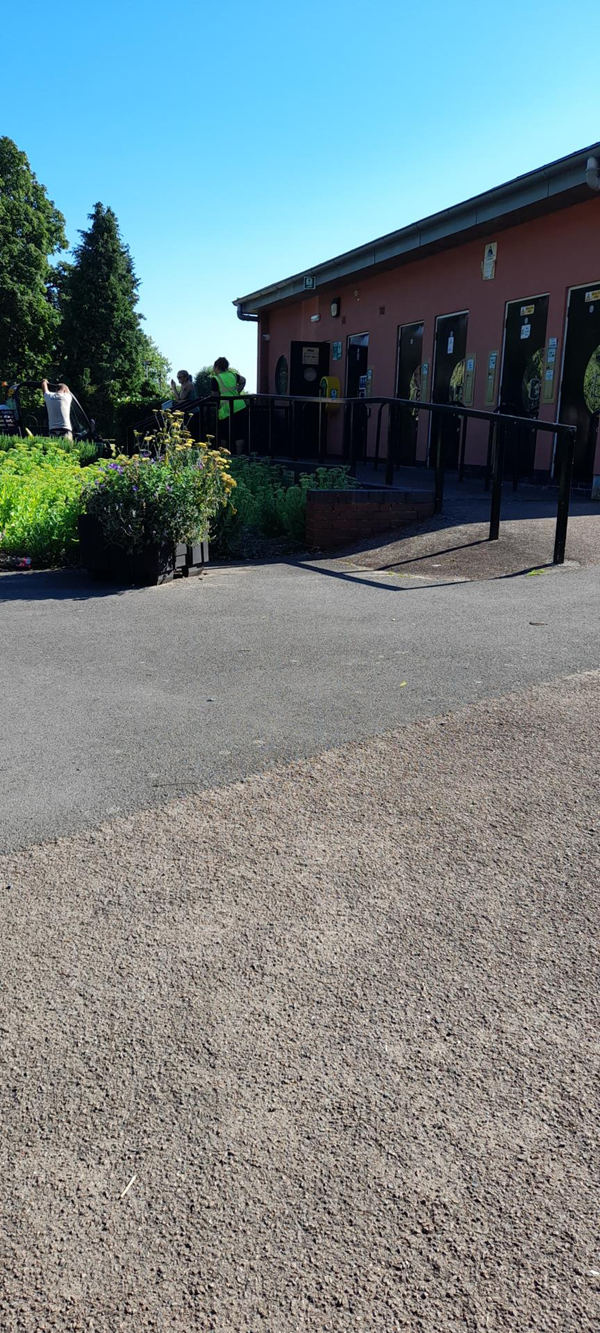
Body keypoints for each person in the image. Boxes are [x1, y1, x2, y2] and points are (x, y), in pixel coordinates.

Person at [212, 357, 247, 449]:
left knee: (224, 433)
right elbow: (243, 380)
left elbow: (214, 396)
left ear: (217, 367)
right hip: (240, 405)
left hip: (226, 408)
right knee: (239, 432)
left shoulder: (216, 378)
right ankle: (239, 456)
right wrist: (238, 391)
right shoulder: (234, 375)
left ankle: (224, 455)